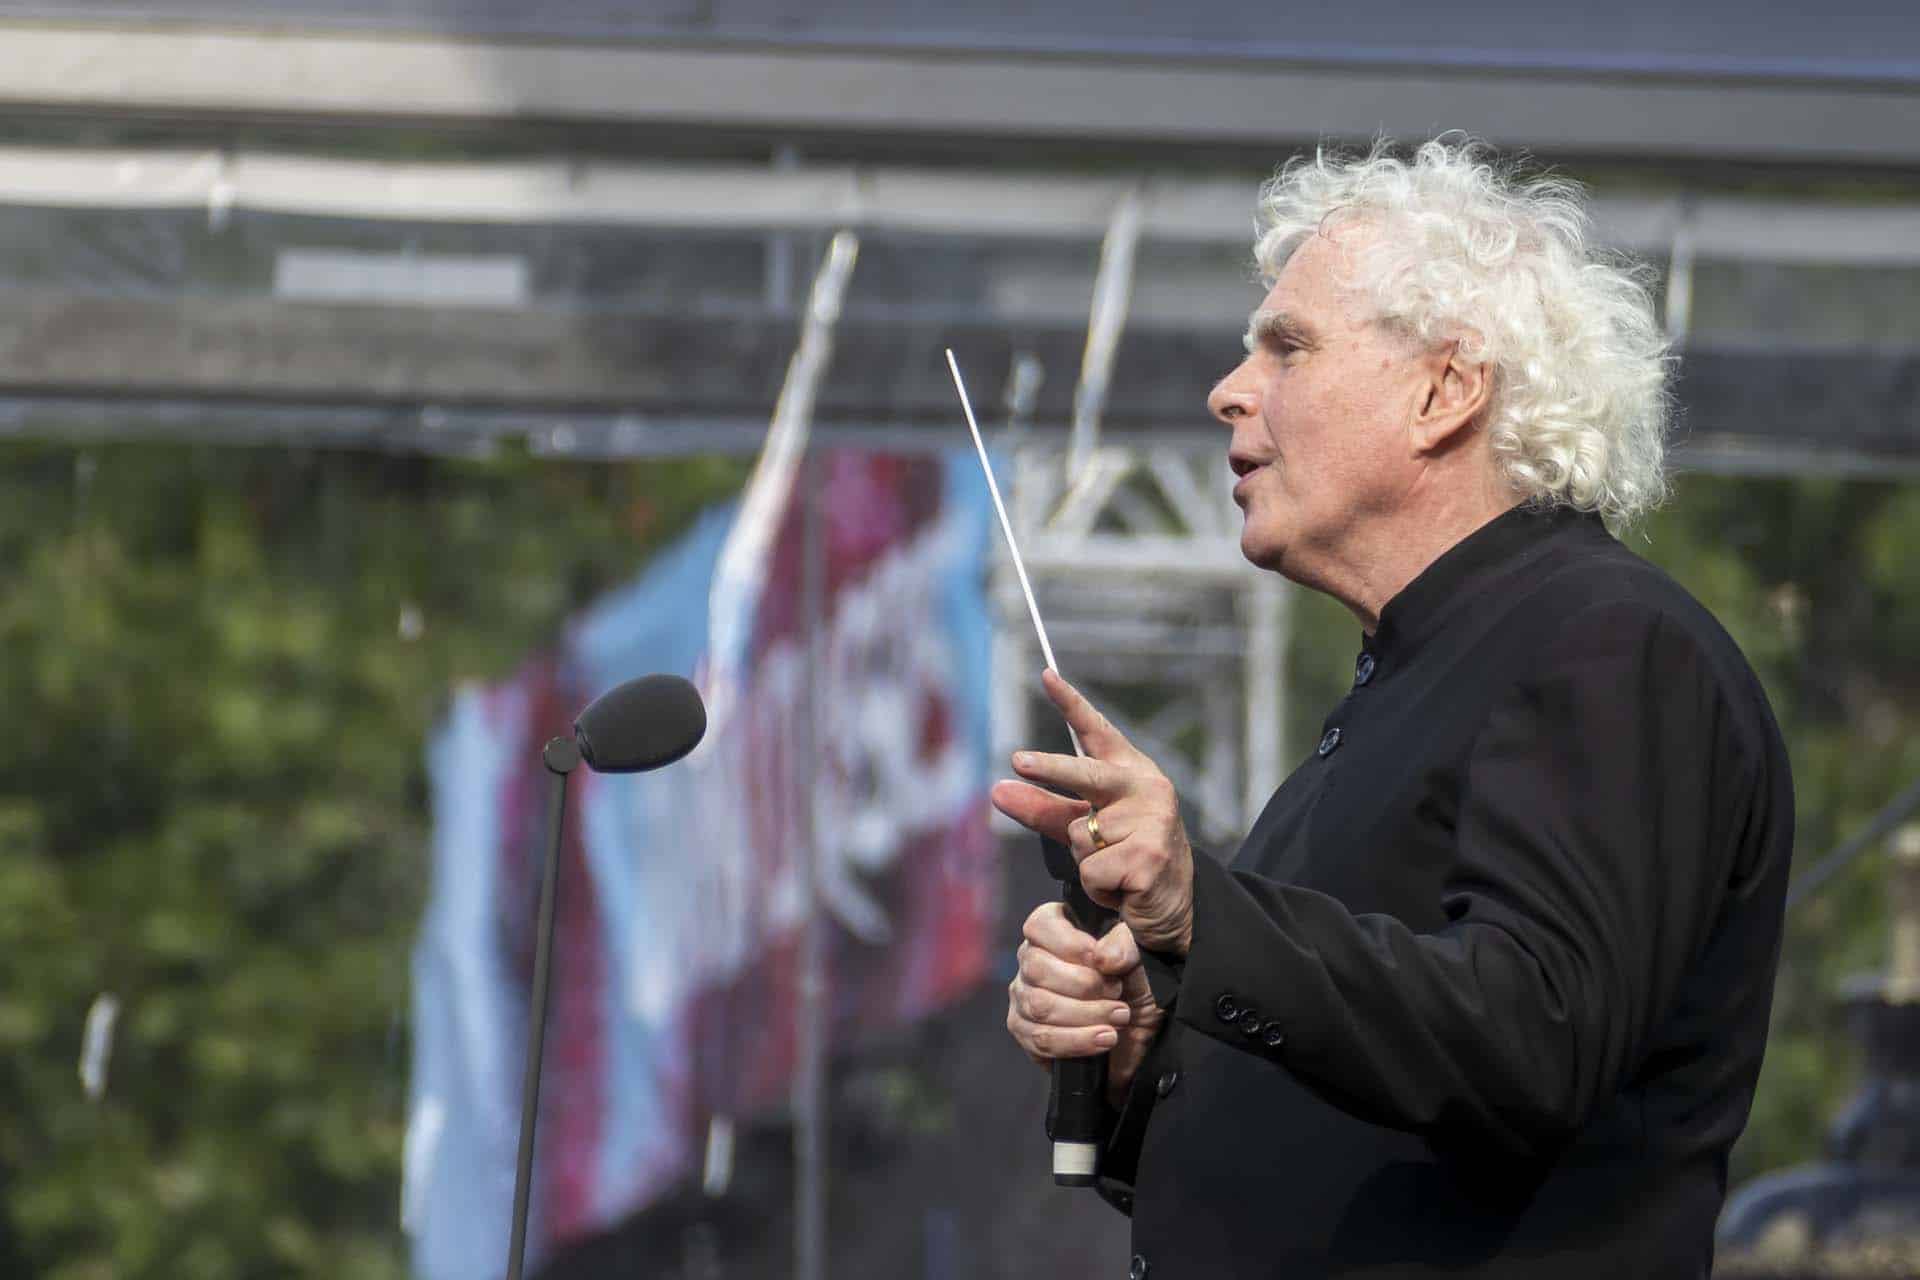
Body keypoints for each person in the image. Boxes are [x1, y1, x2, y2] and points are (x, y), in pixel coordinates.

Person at [994, 138, 1794, 1278]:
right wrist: (1139, 1057)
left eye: (1289, 346)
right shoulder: (1410, 677)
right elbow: (1341, 1109)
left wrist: (1199, 915)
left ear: (1445, 389)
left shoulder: (1607, 642)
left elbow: (1537, 1036)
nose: (1230, 389)